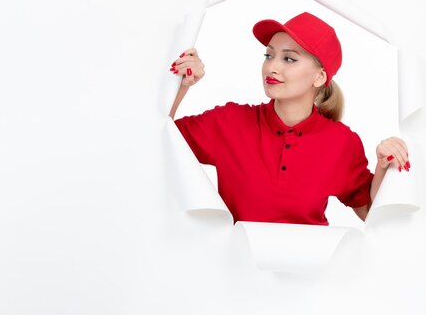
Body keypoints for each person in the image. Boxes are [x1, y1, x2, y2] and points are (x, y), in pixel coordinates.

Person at [168, 12, 409, 225]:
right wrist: (181, 85)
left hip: (312, 272)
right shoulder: (229, 122)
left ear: (319, 77)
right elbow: (160, 142)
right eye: (269, 55)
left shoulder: (342, 143)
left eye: (289, 59)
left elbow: (369, 213)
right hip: (235, 271)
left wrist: (383, 167)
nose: (271, 67)